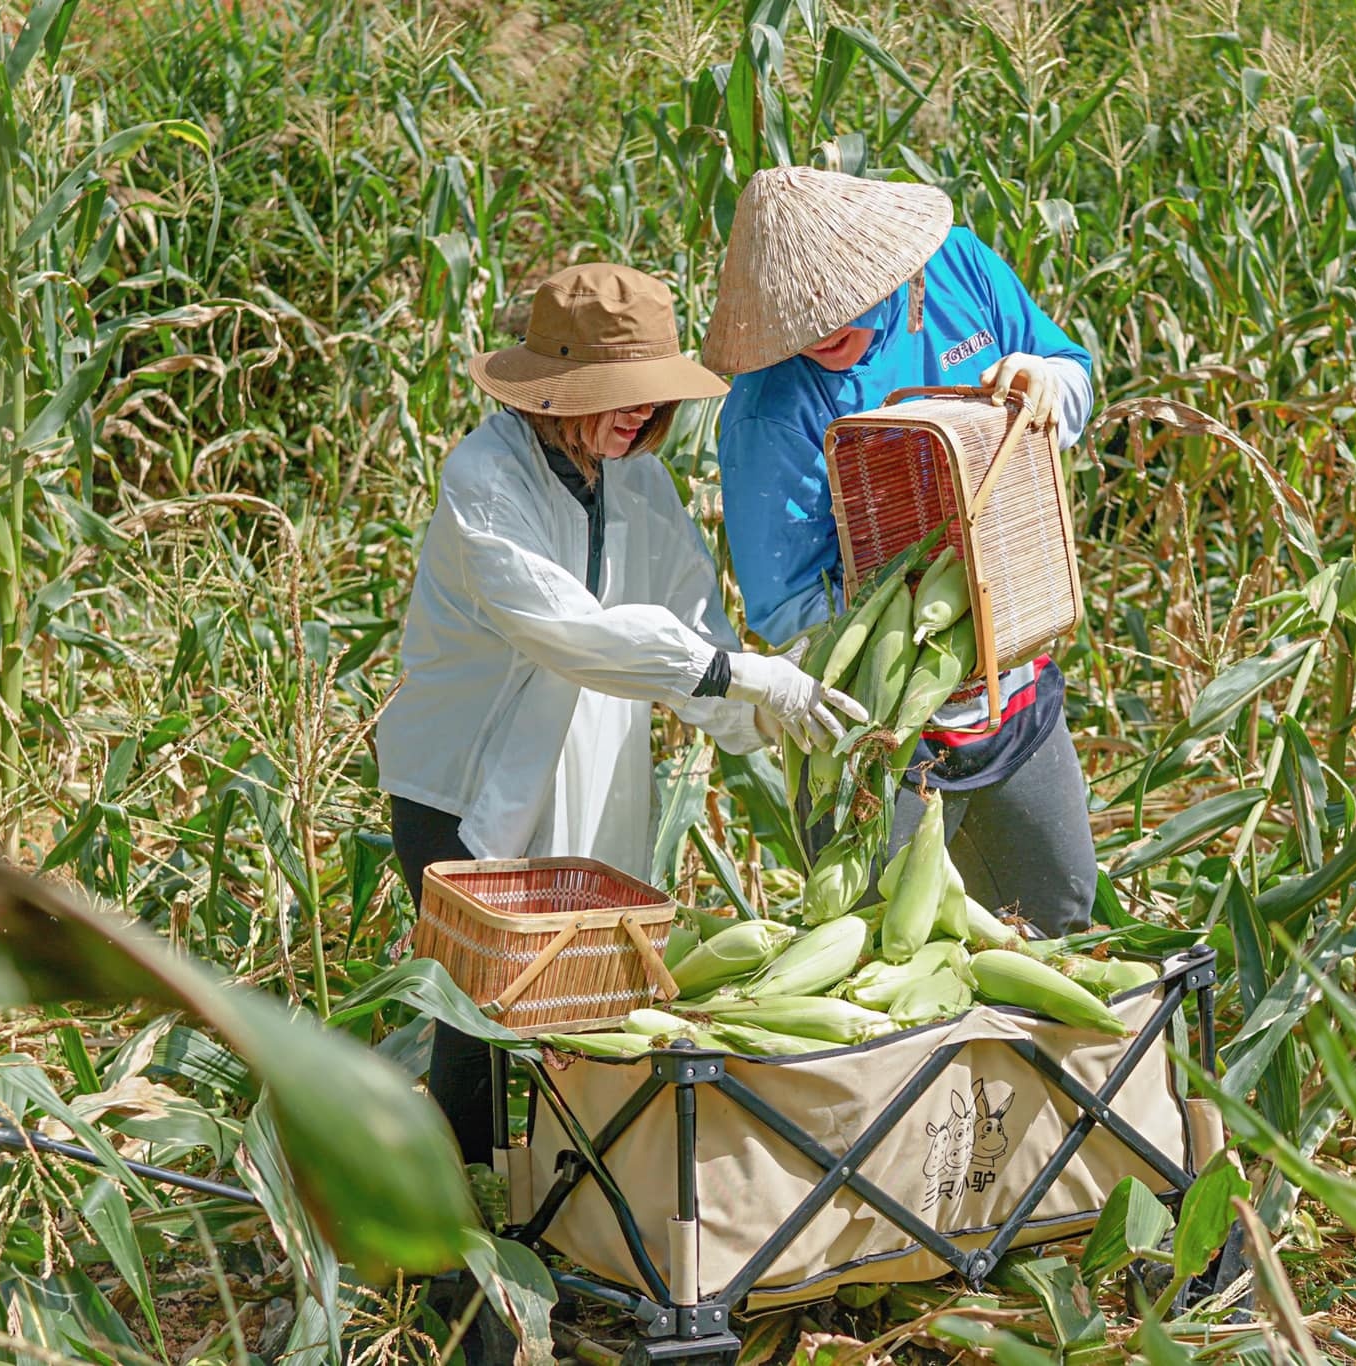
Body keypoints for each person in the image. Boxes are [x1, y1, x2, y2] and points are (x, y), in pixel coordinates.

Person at [376, 263, 865, 1164]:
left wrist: (769, 718)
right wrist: (739, 677)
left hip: (589, 783)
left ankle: (562, 1217)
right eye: (614, 394)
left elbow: (691, 628)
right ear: (555, 389)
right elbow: (576, 634)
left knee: (586, 1017)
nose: (638, 414)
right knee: (475, 1022)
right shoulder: (486, 477)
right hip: (464, 787)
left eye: (648, 395)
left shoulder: (637, 484)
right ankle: (456, 1254)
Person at [700, 167, 1099, 938]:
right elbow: (788, 606)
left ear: (895, 274)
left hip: (1016, 688)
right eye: (796, 325)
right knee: (888, 949)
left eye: (835, 316)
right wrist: (919, 635)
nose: (817, 338)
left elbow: (1074, 378)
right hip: (884, 732)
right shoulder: (769, 411)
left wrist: (1048, 381)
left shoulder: (962, 269)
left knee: (1060, 918)